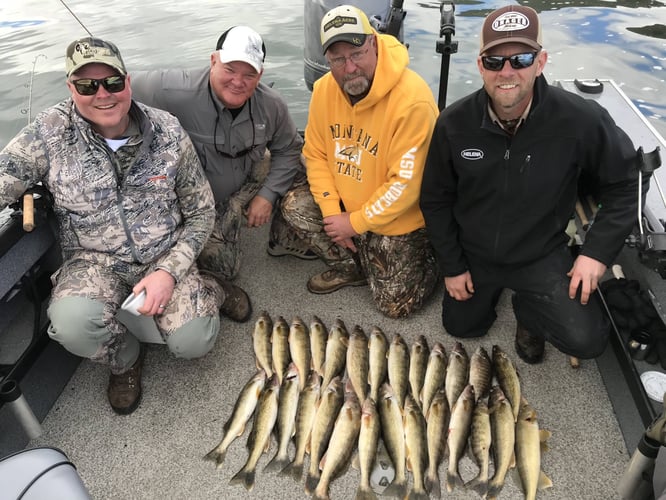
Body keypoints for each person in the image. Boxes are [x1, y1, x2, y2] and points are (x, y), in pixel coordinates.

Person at [0, 37, 250, 415]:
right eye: (87, 85)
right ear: (71, 89)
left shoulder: (168, 131)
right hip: (92, 262)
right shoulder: (47, 134)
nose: (103, 94)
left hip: (165, 254)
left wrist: (169, 271)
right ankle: (126, 361)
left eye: (112, 82)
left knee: (194, 342)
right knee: (70, 324)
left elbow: (201, 213)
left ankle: (211, 288)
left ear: (127, 82)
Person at [420, 5, 641, 363]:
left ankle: (529, 312)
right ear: (480, 66)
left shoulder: (582, 119)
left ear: (541, 62)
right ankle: (488, 294)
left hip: (540, 252)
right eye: (494, 61)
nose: (507, 72)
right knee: (460, 327)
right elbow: (435, 199)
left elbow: (624, 185)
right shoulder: (452, 124)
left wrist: (596, 253)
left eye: (520, 59)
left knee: (587, 341)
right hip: (474, 252)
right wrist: (452, 266)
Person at [276, 4, 440, 319]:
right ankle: (352, 264)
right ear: (326, 60)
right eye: (337, 59)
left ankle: (428, 257)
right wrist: (332, 212)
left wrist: (355, 223)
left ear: (374, 44)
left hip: (398, 217)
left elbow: (405, 185)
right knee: (294, 205)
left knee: (395, 306)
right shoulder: (324, 90)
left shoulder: (413, 100)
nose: (349, 68)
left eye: (356, 54)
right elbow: (316, 154)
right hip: (345, 209)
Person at [130, 25, 314, 296]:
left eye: (249, 74)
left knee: (302, 166)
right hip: (198, 202)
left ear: (260, 75)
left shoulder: (273, 105)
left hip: (244, 179)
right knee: (224, 269)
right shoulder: (171, 88)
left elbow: (288, 149)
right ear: (213, 61)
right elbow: (113, 90)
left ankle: (282, 237)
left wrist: (268, 195)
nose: (238, 82)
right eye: (229, 70)